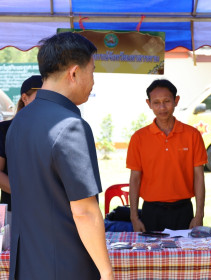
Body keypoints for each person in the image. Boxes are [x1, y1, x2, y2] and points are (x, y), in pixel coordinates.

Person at [6, 32, 114, 280]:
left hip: (26, 264)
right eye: (92, 71)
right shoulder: (70, 125)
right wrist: (106, 272)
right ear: (74, 73)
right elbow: (84, 211)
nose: (93, 80)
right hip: (64, 265)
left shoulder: (20, 120)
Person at [127, 79, 208, 232]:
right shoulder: (139, 138)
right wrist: (134, 217)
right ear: (149, 104)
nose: (162, 107)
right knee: (150, 255)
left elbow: (199, 177)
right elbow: (135, 178)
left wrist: (199, 215)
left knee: (185, 255)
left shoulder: (192, 135)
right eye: (156, 102)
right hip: (151, 211)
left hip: (183, 210)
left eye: (167, 101)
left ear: (176, 101)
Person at [0, 75, 42, 220]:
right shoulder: (4, 130)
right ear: (25, 98)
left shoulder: (55, 131)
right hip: (14, 212)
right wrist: (26, 193)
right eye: (41, 95)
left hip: (48, 214)